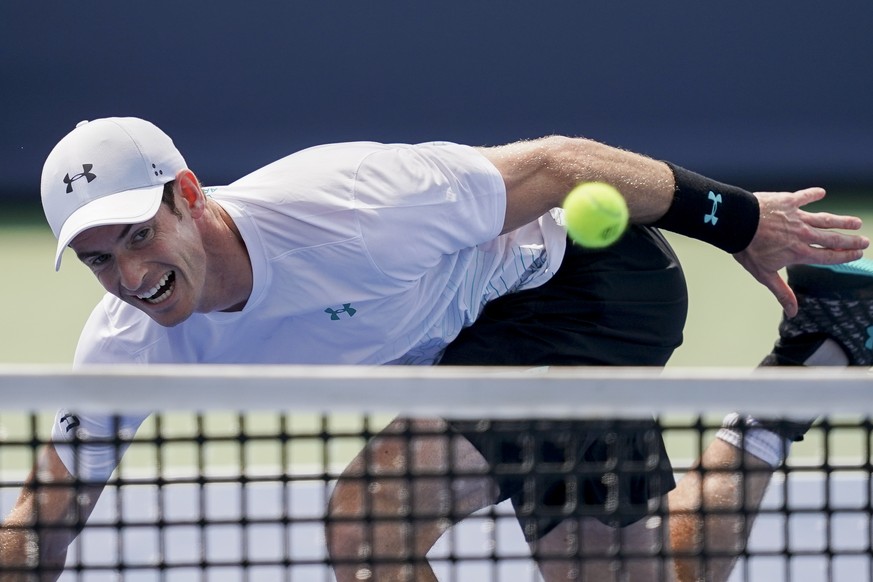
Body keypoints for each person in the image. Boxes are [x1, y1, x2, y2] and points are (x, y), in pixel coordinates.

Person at [0, 116, 869, 581]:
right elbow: (43, 522)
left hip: (576, 290)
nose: (131, 275)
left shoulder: (344, 207)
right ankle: (793, 384)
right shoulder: (127, 345)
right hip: (476, 345)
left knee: (368, 520)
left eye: (141, 235)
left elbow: (564, 163)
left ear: (188, 195)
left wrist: (743, 222)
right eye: (99, 259)